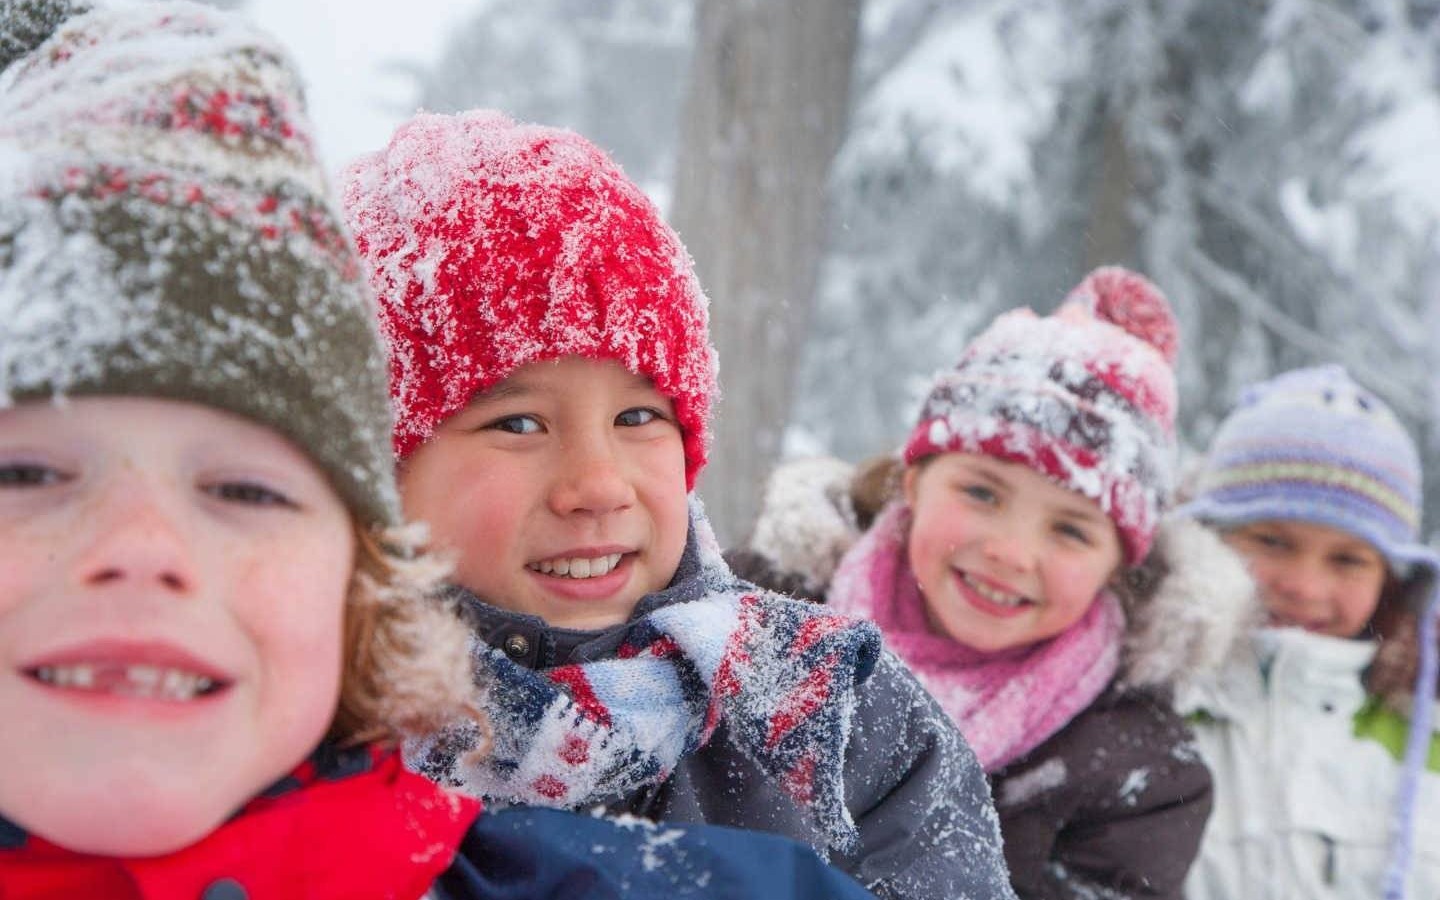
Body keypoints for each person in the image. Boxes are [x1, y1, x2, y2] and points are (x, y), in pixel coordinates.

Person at [0, 3, 881, 897]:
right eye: (25, 474)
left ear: (355, 578)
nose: (143, 551)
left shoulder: (821, 714)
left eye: (244, 491)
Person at [342, 108, 1016, 899]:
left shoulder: (836, 717)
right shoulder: (301, 724)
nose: (598, 485)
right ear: (374, 474)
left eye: (638, 417)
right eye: (518, 423)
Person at [730, 268, 1254, 899]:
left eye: (1070, 530)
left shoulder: (1142, 772)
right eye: (982, 492)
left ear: (1115, 565)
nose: (1010, 552)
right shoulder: (752, 613)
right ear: (916, 482)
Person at [1176, 365, 1440, 900]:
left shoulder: (1424, 730)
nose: (1303, 585)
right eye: (1271, 541)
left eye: (1347, 560)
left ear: (1391, 581)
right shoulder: (1151, 705)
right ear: (1206, 538)